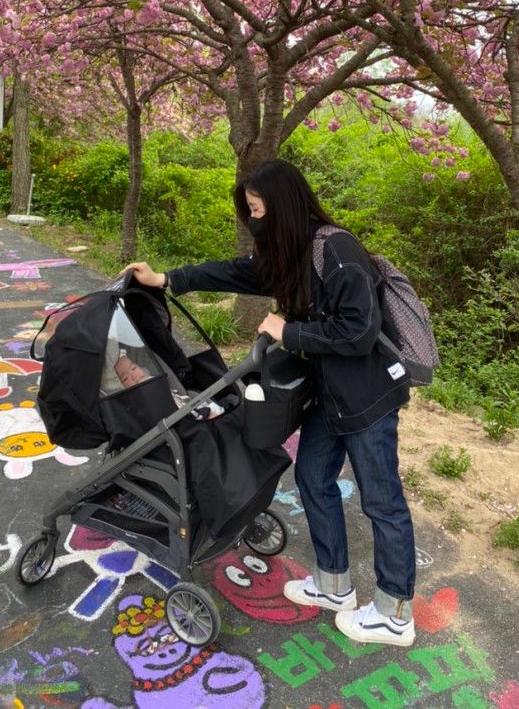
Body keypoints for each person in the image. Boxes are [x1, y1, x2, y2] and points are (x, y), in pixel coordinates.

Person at [125, 158, 416, 647]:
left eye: (258, 209)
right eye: (250, 211)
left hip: (367, 399)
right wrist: (168, 279)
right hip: (329, 395)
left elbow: (359, 332)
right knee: (312, 477)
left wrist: (289, 330)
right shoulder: (292, 251)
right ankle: (332, 584)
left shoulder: (336, 251)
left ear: (281, 205)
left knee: (381, 501)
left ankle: (393, 612)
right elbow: (241, 271)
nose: (254, 220)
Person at [114, 350, 224, 421]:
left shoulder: (152, 379)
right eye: (125, 378)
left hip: (180, 402)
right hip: (169, 415)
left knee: (209, 406)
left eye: (133, 368)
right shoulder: (134, 399)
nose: (133, 375)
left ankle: (208, 414)